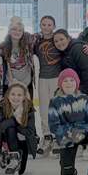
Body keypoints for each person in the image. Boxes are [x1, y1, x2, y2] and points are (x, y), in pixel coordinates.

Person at [48, 68, 88, 175]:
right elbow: (54, 126)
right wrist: (71, 132)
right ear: (60, 84)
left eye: (72, 80)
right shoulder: (55, 102)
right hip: (66, 138)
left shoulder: (84, 98)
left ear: (77, 83)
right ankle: (66, 165)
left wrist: (80, 129)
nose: (69, 83)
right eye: (65, 81)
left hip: (83, 134)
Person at [0, 84, 39, 175]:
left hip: (23, 141)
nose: (16, 97)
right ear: (8, 95)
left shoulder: (29, 108)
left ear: (24, 97)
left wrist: (16, 126)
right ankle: (10, 155)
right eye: (13, 94)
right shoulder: (3, 106)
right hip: (8, 139)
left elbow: (30, 132)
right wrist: (13, 121)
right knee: (10, 129)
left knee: (21, 171)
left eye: (19, 95)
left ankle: (10, 155)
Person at [33, 15, 63, 156]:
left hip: (57, 78)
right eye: (43, 24)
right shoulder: (36, 41)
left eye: (49, 24)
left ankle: (58, 137)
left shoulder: (57, 39)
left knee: (56, 109)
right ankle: (47, 137)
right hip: (42, 78)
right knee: (44, 108)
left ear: (54, 26)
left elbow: (71, 43)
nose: (46, 27)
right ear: (40, 26)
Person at [53, 29, 88, 99]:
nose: (59, 43)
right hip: (77, 88)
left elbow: (87, 71)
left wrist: (87, 93)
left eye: (61, 39)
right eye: (56, 41)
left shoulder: (77, 49)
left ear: (68, 38)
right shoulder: (64, 52)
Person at [1, 17, 36, 103]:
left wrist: (24, 83)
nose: (17, 32)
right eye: (14, 29)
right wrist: (13, 81)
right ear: (9, 31)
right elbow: (7, 65)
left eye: (20, 30)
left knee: (26, 111)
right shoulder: (3, 46)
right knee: (9, 112)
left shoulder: (28, 45)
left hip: (26, 82)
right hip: (11, 83)